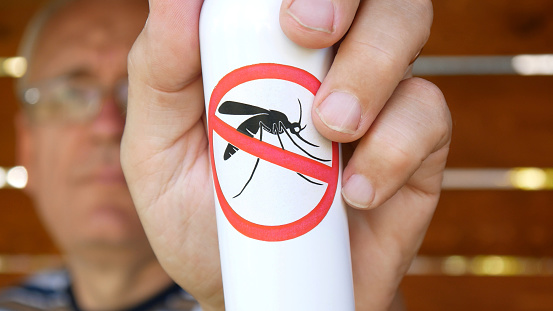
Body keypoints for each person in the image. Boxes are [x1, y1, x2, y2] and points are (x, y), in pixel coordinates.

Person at [2, 0, 451, 310]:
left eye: (132, 91)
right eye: (67, 93)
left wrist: (323, 290)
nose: (106, 125)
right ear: (26, 146)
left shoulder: (271, 283)